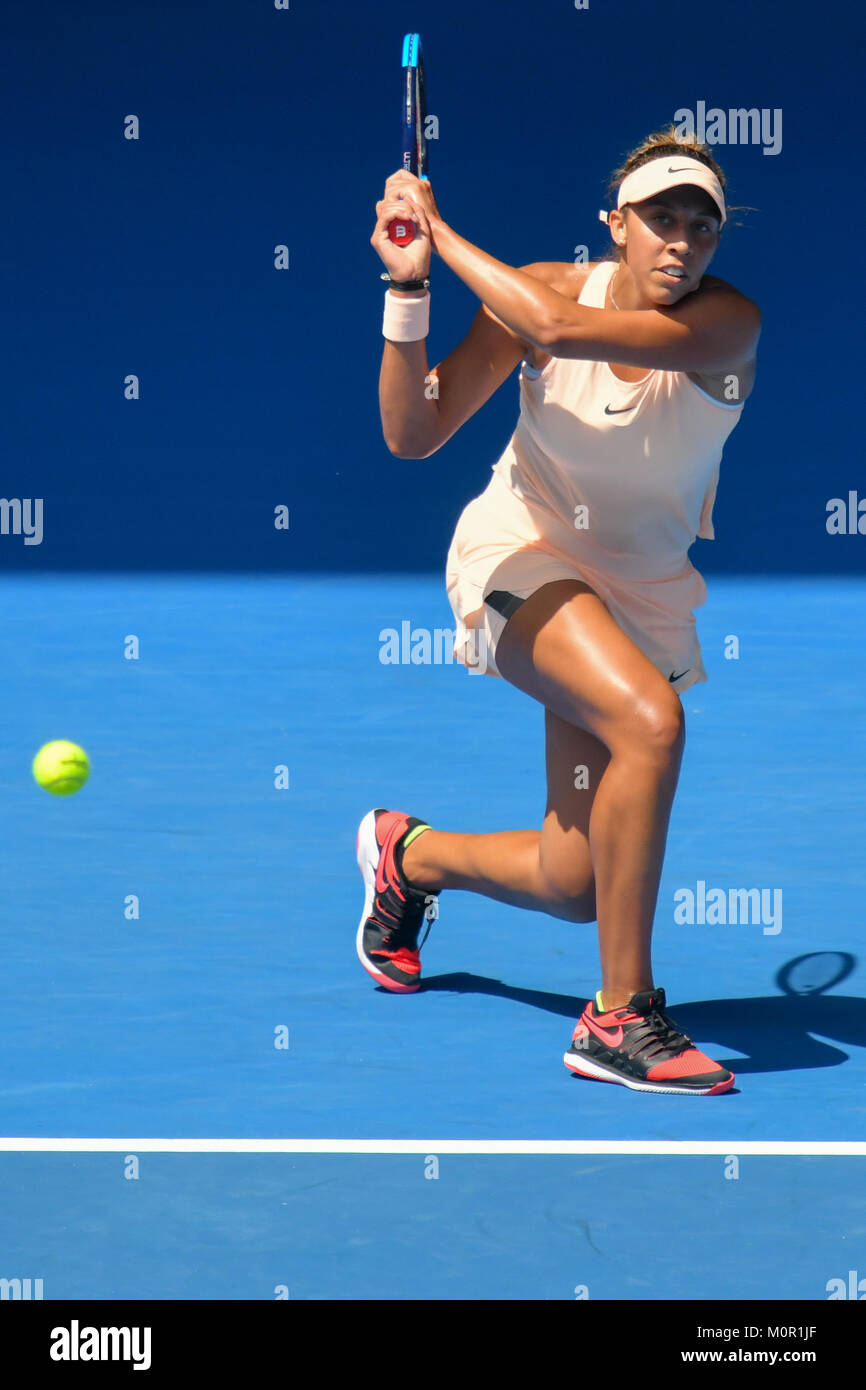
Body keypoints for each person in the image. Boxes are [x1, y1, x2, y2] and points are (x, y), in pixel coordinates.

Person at [357, 126, 761, 1096]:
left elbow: (557, 327)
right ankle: (620, 1017)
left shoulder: (724, 325)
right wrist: (407, 289)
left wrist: (439, 233)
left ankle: (406, 857)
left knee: (576, 882)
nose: (678, 242)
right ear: (613, 225)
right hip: (522, 555)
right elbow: (413, 434)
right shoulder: (537, 291)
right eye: (658, 218)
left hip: (643, 592)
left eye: (698, 227)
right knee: (649, 721)